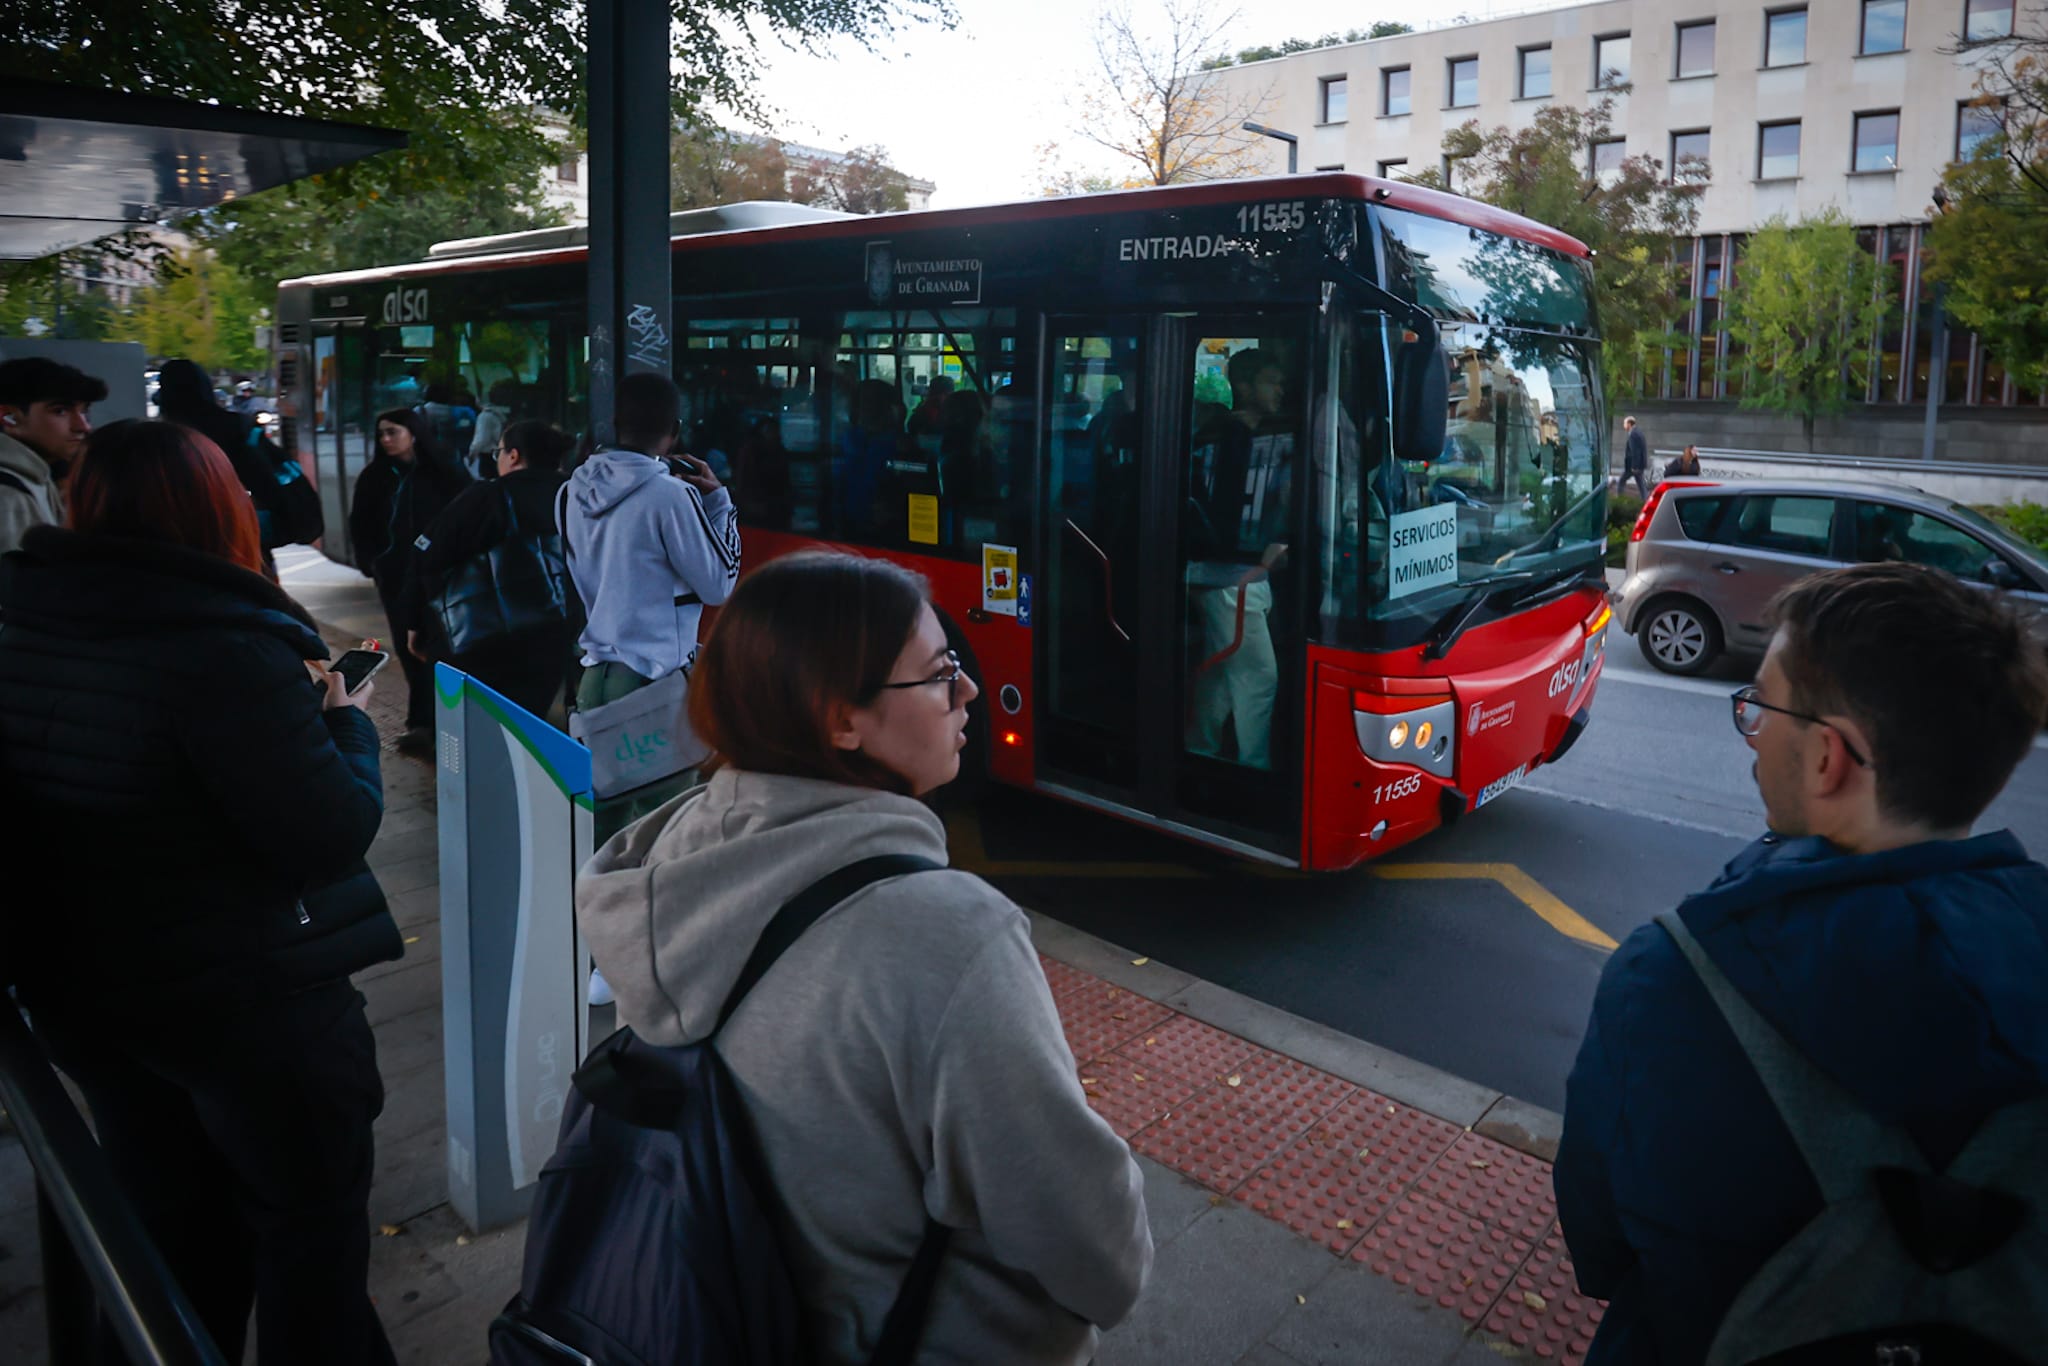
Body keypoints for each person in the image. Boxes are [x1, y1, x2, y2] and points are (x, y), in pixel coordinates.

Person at [577, 550, 1152, 1364]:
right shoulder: (946, 936)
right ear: (839, 719)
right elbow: (1100, 1258)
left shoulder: (670, 861)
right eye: (940, 672)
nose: (970, 693)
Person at [1554, 561, 2048, 1363]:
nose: (1753, 730)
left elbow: (1600, 1239)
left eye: (1762, 705)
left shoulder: (1673, 981)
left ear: (1830, 759)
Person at [0, 420, 402, 1366]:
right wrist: (345, 725)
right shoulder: (222, 647)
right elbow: (330, 830)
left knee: (169, 1231)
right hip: (250, 1012)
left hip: (94, 1003)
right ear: (220, 510)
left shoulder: (22, 625)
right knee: (309, 1239)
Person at [559, 371, 740, 842]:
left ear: (615, 423)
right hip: (654, 684)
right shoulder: (670, 495)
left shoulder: (571, 491)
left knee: (604, 831)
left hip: (594, 678)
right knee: (662, 829)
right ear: (674, 429)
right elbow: (718, 584)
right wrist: (719, 502)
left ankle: (593, 911)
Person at [405, 420, 579, 721]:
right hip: (553, 637)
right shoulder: (576, 497)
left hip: (485, 642)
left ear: (513, 456)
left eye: (498, 451)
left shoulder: (488, 496)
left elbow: (428, 555)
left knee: (476, 732)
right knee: (529, 723)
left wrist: (415, 623)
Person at [1185, 347, 1294, 770]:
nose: (1280, 390)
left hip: (1239, 578)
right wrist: (1265, 550)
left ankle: (1200, 749)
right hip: (1234, 579)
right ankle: (1254, 768)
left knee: (1222, 677)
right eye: (1271, 381)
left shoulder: (1256, 433)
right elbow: (1226, 518)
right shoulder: (1229, 438)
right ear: (1244, 387)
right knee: (1258, 679)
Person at [348, 408, 473, 755]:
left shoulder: (443, 471)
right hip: (397, 577)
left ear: (413, 433)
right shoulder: (375, 477)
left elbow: (469, 510)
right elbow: (361, 524)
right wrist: (374, 564)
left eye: (393, 432)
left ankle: (443, 720)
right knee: (409, 647)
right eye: (381, 434)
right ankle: (421, 723)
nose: (386, 440)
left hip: (442, 575)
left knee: (442, 646)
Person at [0, 355, 104, 554]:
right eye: (60, 411)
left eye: (84, 412)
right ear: (9, 417)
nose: (82, 426)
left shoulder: (37, 476)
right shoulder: (8, 495)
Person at [1619, 414, 1649, 499]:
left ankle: (1619, 498)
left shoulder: (1633, 434)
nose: (1624, 425)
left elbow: (1635, 451)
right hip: (1639, 465)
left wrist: (1634, 466)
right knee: (1640, 484)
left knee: (1621, 481)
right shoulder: (1638, 432)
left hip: (1633, 466)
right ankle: (1645, 499)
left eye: (1624, 423)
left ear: (1629, 424)